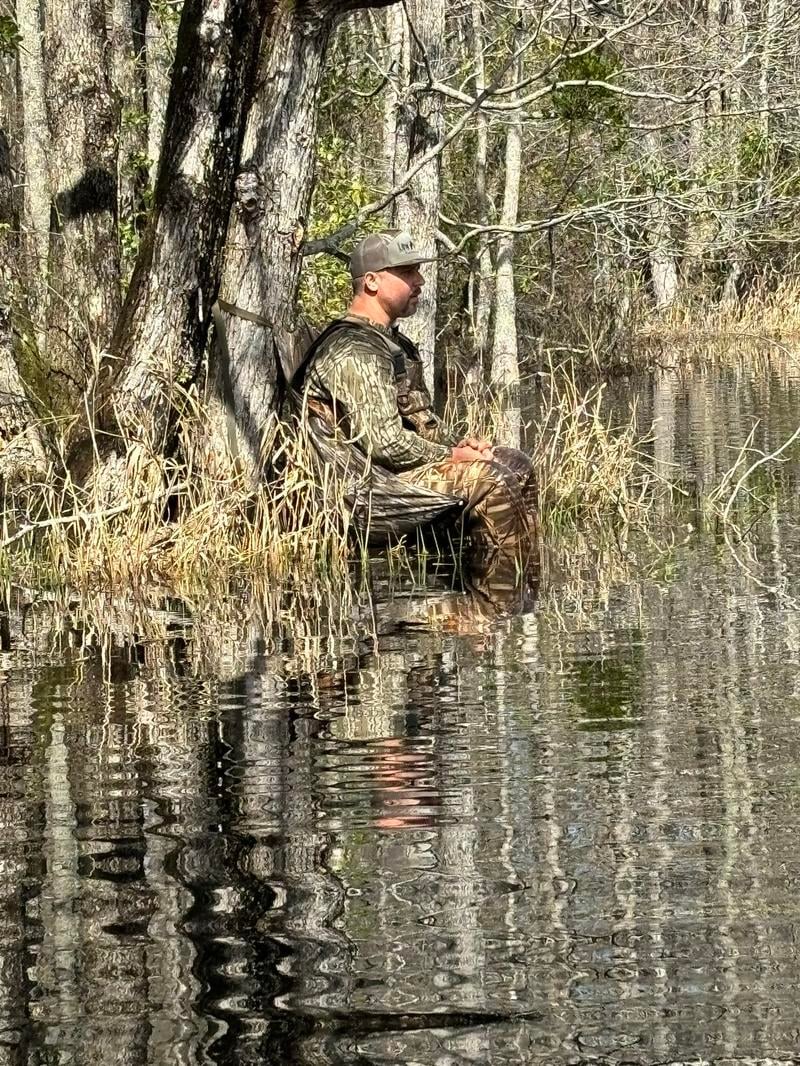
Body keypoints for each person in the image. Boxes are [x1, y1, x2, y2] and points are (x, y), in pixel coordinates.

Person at [298, 230, 537, 557]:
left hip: (395, 476)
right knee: (492, 479)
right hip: (366, 490)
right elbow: (385, 445)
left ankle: (510, 574)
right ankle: (502, 587)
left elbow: (420, 421)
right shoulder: (354, 349)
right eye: (407, 272)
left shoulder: (391, 344)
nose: (420, 280)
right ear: (371, 281)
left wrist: (460, 445)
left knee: (514, 462)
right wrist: (453, 458)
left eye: (418, 270)